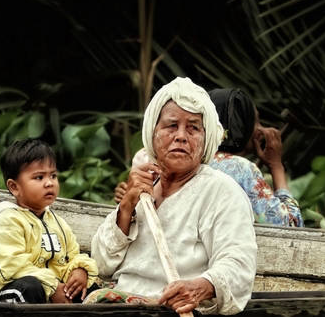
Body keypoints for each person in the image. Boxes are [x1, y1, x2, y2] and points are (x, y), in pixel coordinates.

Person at [89, 77, 257, 315]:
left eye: (193, 128)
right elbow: (102, 264)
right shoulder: (143, 188)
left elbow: (238, 267)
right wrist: (127, 206)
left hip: (173, 313)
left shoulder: (222, 192)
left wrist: (199, 288)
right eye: (171, 126)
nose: (181, 136)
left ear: (205, 138)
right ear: (153, 133)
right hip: (120, 309)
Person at [115, 88, 302, 227]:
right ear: (240, 126)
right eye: (255, 121)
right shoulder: (242, 169)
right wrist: (276, 166)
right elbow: (291, 226)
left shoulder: (155, 157)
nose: (260, 129)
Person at [0, 138, 99, 303]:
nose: (49, 183)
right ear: (14, 187)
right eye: (39, 177)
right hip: (5, 294)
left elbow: (72, 256)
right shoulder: (5, 221)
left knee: (88, 290)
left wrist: (79, 270)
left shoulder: (57, 223)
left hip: (50, 293)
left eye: (53, 175)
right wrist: (52, 286)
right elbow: (9, 266)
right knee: (30, 287)